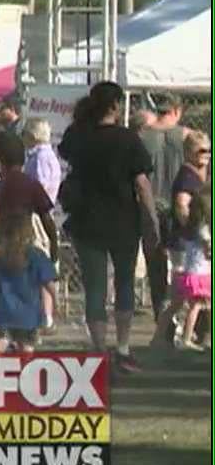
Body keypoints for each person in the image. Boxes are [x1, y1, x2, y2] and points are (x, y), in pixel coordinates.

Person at [58, 81, 159, 374]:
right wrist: (151, 219)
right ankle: (124, 348)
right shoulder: (127, 140)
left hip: (86, 221)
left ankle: (99, 349)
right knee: (124, 283)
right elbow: (142, 183)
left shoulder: (77, 135)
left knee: (94, 287)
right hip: (123, 222)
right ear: (116, 105)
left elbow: (67, 156)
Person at [0, 132, 61, 333]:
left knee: (4, 290)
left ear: (0, 161)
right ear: (23, 159)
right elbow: (47, 218)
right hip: (26, 242)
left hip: (3, 244)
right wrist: (54, 245)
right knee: (29, 286)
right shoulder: (31, 184)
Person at [152, 131, 212, 347]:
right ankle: (167, 337)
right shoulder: (187, 176)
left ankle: (193, 335)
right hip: (187, 246)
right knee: (181, 296)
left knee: (193, 296)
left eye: (208, 150)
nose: (206, 154)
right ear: (188, 152)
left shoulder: (201, 173)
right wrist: (199, 233)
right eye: (201, 150)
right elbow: (181, 206)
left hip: (194, 244)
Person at [138, 93, 191, 323]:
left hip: (150, 209)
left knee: (156, 268)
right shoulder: (188, 137)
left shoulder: (140, 137)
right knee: (188, 265)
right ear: (177, 111)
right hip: (183, 208)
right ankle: (191, 319)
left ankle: (163, 318)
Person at [0, 214, 57, 354]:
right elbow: (49, 283)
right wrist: (55, 301)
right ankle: (25, 372)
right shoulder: (36, 255)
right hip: (30, 315)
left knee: (0, 342)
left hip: (5, 312)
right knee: (27, 349)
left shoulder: (1, 256)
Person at [168, 193, 211, 351]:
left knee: (198, 306)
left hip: (192, 272)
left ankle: (190, 337)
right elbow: (208, 251)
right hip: (201, 273)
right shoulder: (203, 229)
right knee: (196, 306)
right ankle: (187, 338)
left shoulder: (189, 229)